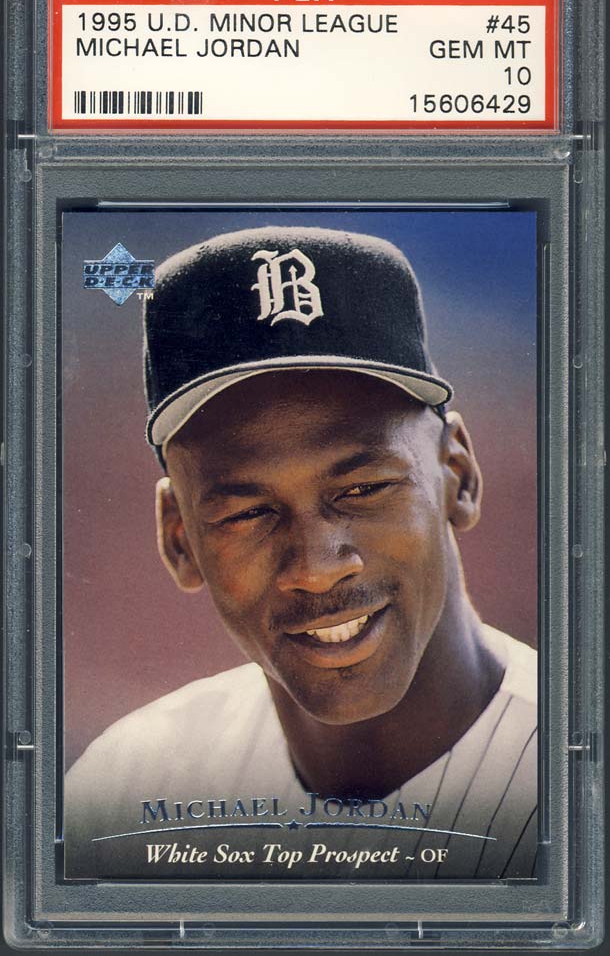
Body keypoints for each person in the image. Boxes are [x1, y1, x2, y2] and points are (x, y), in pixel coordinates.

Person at [65, 226, 537, 881]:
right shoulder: (119, 796)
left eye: (363, 488)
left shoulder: (579, 778)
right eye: (247, 513)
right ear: (179, 539)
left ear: (458, 474)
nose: (316, 567)